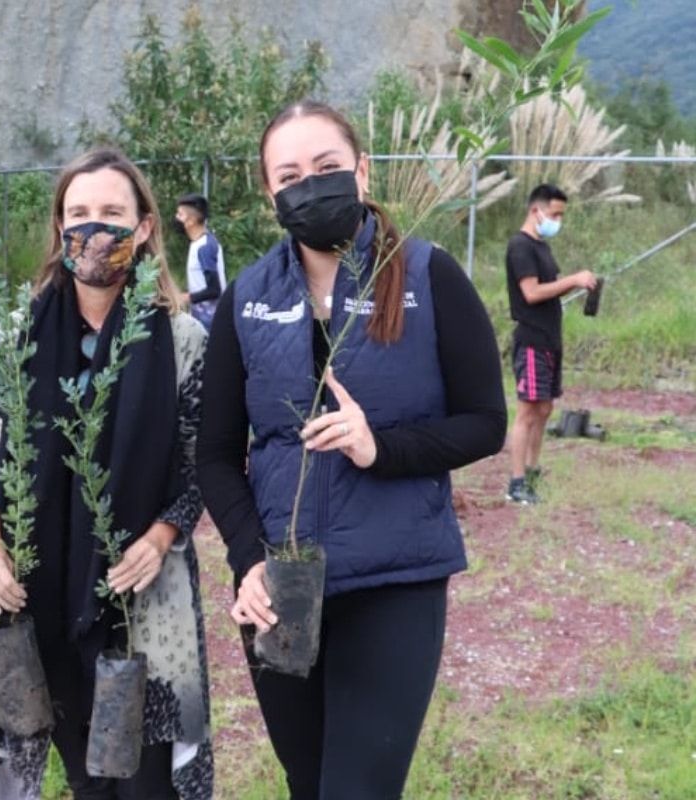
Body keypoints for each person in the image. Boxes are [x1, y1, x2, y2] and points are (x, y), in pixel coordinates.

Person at [196, 101, 507, 798]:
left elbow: (486, 421)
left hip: (393, 581)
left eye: (328, 167)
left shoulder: (428, 275)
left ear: (363, 172)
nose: (311, 185)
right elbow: (215, 453)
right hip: (283, 587)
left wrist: (380, 448)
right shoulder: (247, 298)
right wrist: (249, 561)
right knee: (307, 782)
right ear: (269, 192)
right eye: (291, 174)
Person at [0, 148, 214, 799]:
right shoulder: (17, 336)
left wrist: (160, 537)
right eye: (78, 214)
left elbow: (201, 467)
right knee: (85, 776)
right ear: (58, 228)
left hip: (147, 596)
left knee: (148, 784)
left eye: (111, 213)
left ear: (145, 228)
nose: (94, 230)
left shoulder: (183, 340)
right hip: (40, 587)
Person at [504, 183, 598, 505]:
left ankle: (532, 472)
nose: (557, 220)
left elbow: (547, 288)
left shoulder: (541, 246)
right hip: (531, 339)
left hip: (549, 339)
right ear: (536, 210)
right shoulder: (521, 247)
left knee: (544, 409)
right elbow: (531, 293)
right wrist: (572, 280)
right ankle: (516, 483)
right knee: (528, 411)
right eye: (554, 214)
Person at [171, 193, 227, 330]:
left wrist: (185, 297)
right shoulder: (198, 243)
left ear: (191, 221)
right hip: (202, 317)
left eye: (180, 215)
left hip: (211, 321)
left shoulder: (204, 247)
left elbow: (214, 290)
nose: (176, 218)